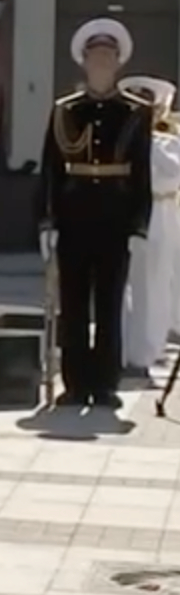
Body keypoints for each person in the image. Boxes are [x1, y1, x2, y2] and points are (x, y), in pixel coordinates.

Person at [38, 18, 153, 409]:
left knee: (109, 303)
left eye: (107, 57)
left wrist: (139, 226)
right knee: (72, 303)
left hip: (115, 218)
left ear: (118, 63)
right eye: (94, 57)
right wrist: (47, 221)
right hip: (73, 216)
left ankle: (104, 384)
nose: (101, 64)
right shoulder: (64, 111)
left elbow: (142, 173)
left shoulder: (136, 113)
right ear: (83, 63)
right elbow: (51, 170)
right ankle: (74, 383)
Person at [119, 76, 179, 381]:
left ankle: (148, 350)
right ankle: (128, 351)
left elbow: (175, 171)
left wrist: (150, 141)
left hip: (164, 212)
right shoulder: (123, 140)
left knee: (157, 284)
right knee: (128, 286)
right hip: (132, 213)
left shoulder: (167, 142)